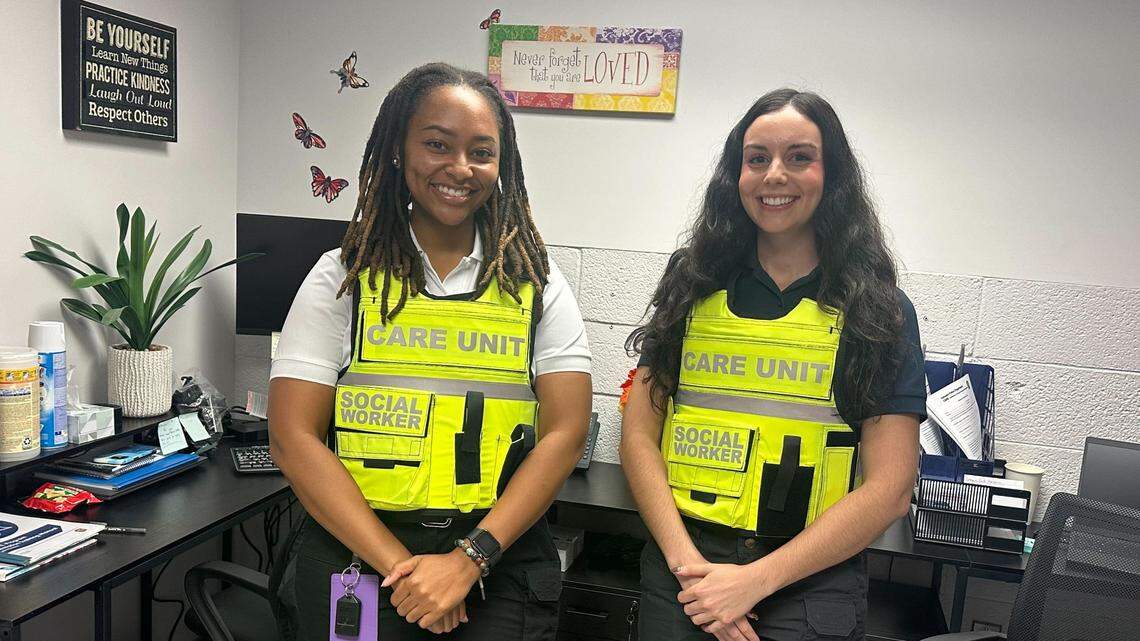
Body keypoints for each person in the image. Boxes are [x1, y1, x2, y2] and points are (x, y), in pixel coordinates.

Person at [268, 62, 592, 640]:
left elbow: (566, 433)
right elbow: (294, 437)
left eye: (481, 151)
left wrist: (469, 560)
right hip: (359, 556)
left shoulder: (537, 284)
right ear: (398, 149)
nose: (460, 169)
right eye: (438, 145)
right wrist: (403, 572)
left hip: (498, 560)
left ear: (503, 164)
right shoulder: (342, 277)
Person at [620, 89, 925, 641]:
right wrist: (691, 570)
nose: (774, 175)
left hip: (809, 580)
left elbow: (890, 487)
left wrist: (753, 582)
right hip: (683, 569)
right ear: (735, 175)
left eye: (799, 157)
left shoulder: (877, 309)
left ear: (832, 176)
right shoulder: (691, 283)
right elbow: (640, 436)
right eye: (757, 158)